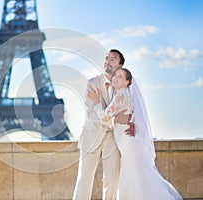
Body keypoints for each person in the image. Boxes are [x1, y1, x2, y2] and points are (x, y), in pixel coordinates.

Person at [90, 67, 183, 200]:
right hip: (131, 141)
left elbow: (104, 117)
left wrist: (96, 103)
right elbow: (132, 116)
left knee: (131, 171)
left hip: (127, 142)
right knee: (137, 172)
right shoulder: (128, 96)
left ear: (127, 82)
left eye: (120, 76)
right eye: (115, 75)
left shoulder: (119, 96)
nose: (115, 78)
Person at [73, 49, 134, 200]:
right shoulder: (92, 84)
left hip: (113, 138)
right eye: (106, 58)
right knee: (84, 179)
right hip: (91, 135)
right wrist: (115, 120)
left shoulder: (123, 86)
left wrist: (130, 122)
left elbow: (129, 110)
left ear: (120, 65)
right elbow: (91, 114)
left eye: (113, 59)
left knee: (112, 181)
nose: (108, 61)